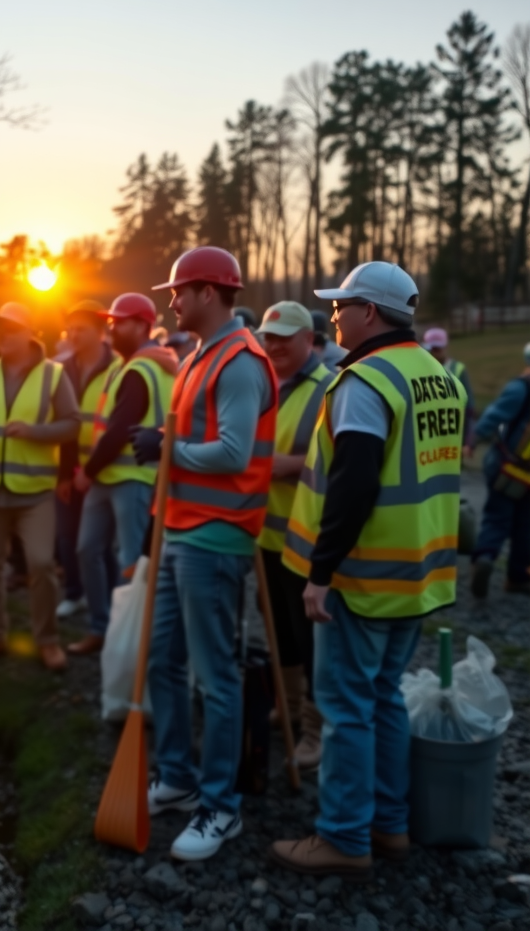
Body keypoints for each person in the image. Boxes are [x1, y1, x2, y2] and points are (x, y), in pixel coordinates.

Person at [272, 261, 465, 878]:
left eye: (342, 304)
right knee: (382, 699)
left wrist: (320, 572)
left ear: (371, 314)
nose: (333, 315)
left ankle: (344, 838)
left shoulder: (364, 382)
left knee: (346, 706)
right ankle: (390, 826)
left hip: (362, 578)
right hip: (419, 574)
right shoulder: (435, 376)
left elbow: (353, 485)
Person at [131, 246, 276, 862]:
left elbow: (234, 452)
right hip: (181, 529)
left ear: (210, 293)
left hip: (216, 536)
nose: (171, 300)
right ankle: (179, 778)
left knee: (216, 678)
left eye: (180, 291)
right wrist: (169, 445)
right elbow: (195, 437)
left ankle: (222, 806)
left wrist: (166, 448)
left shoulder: (240, 361)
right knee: (163, 659)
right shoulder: (199, 355)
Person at [0, 302, 80, 672]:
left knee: (41, 563)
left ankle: (47, 640)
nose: (2, 335)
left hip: (34, 492)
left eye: (11, 329)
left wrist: (36, 433)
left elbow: (72, 424)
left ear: (29, 334)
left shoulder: (54, 376)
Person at [69, 293, 176, 655]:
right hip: (110, 478)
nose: (113, 328)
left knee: (132, 563)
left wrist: (87, 470)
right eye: (111, 321)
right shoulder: (134, 364)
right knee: (88, 549)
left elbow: (119, 430)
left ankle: (134, 642)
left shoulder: (141, 369)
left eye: (121, 322)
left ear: (143, 326)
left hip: (131, 477)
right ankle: (106, 628)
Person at [255, 301, 333, 768]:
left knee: (309, 638)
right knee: (278, 630)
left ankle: (315, 728)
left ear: (310, 340)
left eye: (285, 336)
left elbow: (346, 462)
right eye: (269, 336)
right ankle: (286, 706)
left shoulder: (330, 388)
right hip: (266, 533)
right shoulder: (265, 384)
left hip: (305, 538)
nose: (274, 345)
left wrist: (294, 465)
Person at [56, 301, 120, 619]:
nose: (73, 335)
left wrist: (93, 470)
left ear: (100, 333)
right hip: (71, 471)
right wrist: (65, 475)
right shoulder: (62, 370)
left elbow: (118, 427)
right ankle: (74, 593)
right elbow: (65, 424)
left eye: (81, 329)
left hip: (105, 471)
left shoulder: (119, 370)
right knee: (67, 537)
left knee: (100, 545)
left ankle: (109, 602)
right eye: (71, 329)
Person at [468, 341, 530, 598]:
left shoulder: (519, 389)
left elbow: (493, 418)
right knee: (526, 527)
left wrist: (472, 441)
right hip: (528, 477)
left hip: (504, 469)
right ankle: (516, 577)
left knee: (497, 517)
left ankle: (484, 557)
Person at [422, 327, 476, 453]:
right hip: (427, 434)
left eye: (437, 349)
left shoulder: (458, 369)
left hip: (453, 433)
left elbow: (469, 407)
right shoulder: (421, 368)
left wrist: (468, 441)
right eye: (430, 349)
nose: (433, 353)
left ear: (445, 347)